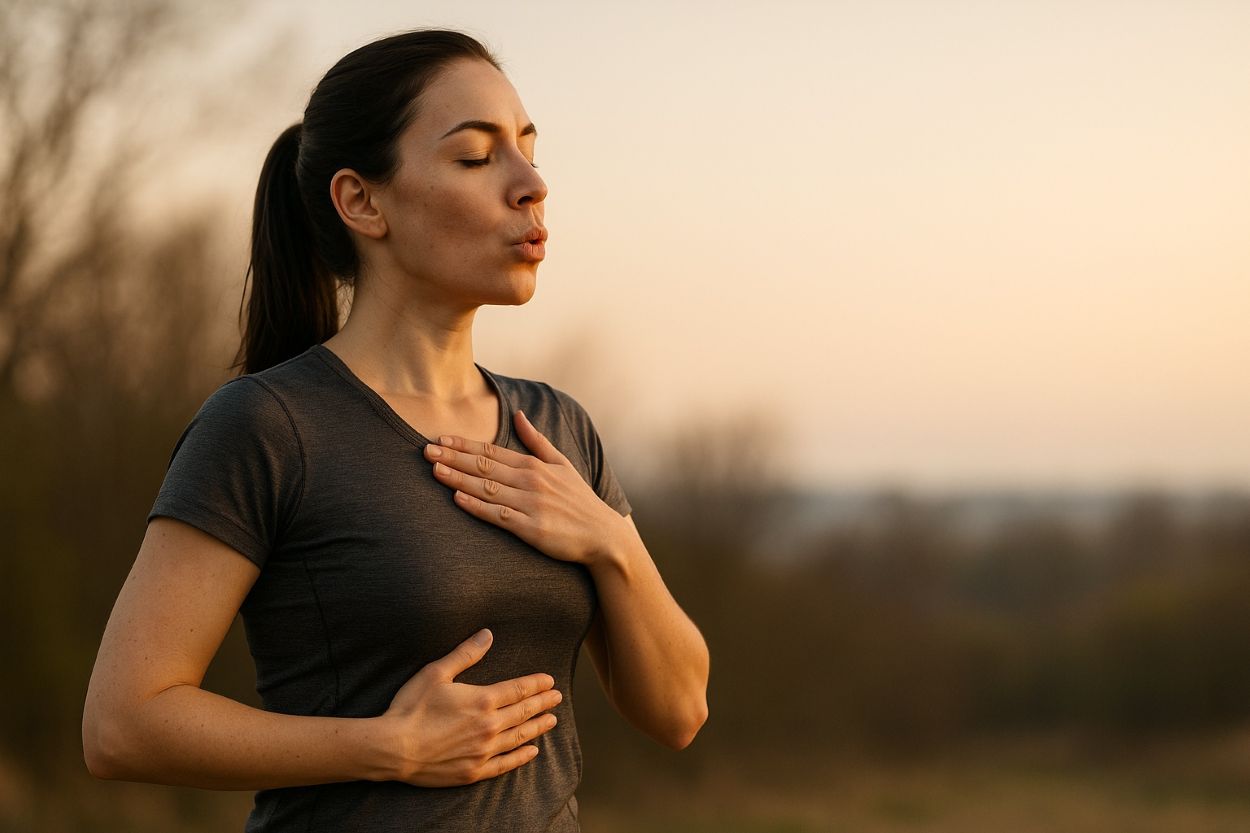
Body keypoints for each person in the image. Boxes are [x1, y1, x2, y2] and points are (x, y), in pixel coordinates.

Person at [82, 28, 709, 832]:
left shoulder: (555, 428)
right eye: (476, 157)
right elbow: (123, 723)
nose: (531, 184)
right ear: (361, 202)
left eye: (527, 149)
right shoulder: (270, 425)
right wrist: (388, 746)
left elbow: (679, 710)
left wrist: (609, 540)